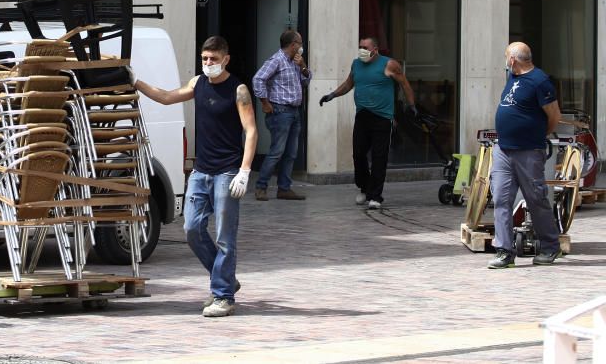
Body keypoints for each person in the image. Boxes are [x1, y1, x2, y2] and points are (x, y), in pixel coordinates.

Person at [131, 36, 257, 318]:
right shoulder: (197, 83)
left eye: (213, 59)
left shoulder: (238, 89)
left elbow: (250, 130)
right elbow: (165, 97)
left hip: (227, 171)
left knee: (225, 237)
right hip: (201, 171)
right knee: (191, 228)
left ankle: (223, 296)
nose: (208, 63)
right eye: (204, 59)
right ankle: (224, 279)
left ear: (226, 59)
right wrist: (136, 81)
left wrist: (245, 171)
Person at [487, 42, 562, 269]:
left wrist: (537, 135)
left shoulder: (540, 81)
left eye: (506, 57)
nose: (505, 62)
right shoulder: (513, 78)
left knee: (536, 199)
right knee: (500, 198)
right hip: (503, 149)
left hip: (528, 150)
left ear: (512, 60)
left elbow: (554, 116)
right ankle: (504, 251)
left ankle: (550, 247)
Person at [318, 36, 416, 209]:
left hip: (382, 118)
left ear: (375, 50)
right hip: (362, 116)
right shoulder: (356, 64)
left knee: (379, 157)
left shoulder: (389, 65)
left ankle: (375, 196)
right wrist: (332, 95)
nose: (361, 49)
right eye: (360, 46)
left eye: (365, 47)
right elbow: (349, 84)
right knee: (358, 154)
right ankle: (364, 188)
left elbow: (405, 84)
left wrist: (411, 105)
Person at [252, 30, 310, 201]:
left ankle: (284, 188)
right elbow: (258, 79)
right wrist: (264, 102)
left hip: (294, 112)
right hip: (280, 112)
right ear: (293, 45)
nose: (301, 46)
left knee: (291, 153)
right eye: (299, 43)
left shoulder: (296, 62)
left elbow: (307, 80)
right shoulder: (277, 60)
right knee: (277, 151)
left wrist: (303, 66)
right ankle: (261, 187)